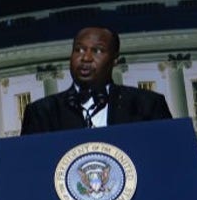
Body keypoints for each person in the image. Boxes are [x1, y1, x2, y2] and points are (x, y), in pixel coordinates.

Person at [20, 26, 172, 135]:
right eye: (79, 49)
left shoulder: (148, 105)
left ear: (115, 59)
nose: (85, 57)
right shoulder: (41, 113)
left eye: (97, 51)